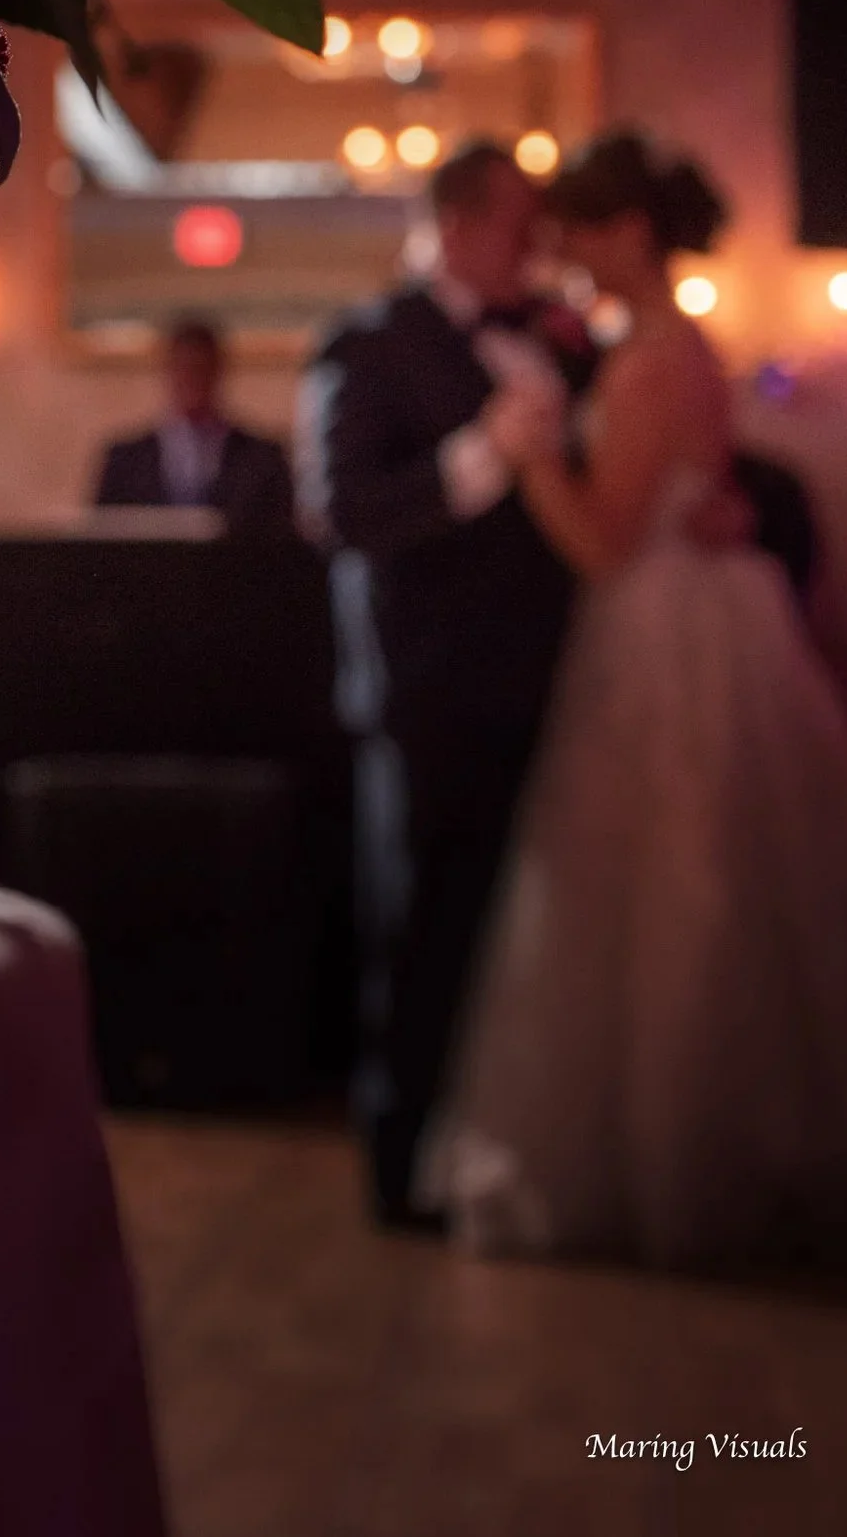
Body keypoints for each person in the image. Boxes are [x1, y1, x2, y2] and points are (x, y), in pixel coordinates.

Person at [417, 131, 847, 1267]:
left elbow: (607, 544)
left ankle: (675, 1153)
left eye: (573, 228)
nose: (560, 251)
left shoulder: (652, 359)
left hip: (657, 639)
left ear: (629, 232)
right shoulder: (662, 346)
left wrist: (528, 462)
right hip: (692, 626)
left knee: (663, 890)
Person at [298, 140, 600, 1230]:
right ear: (464, 223)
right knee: (424, 933)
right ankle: (405, 1167)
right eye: (524, 224)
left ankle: (504, 1148)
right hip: (428, 695)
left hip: (564, 685)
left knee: (530, 934)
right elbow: (345, 513)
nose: (542, 244)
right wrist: (478, 455)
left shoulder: (562, 336)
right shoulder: (369, 342)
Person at [94, 318, 295, 537]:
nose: (192, 379)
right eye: (184, 368)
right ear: (168, 371)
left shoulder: (263, 459)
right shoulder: (126, 460)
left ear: (219, 371)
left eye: (201, 369)